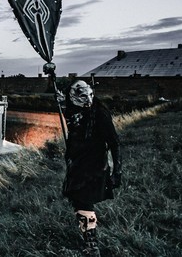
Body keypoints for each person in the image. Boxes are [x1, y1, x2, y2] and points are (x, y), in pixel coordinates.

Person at [61, 80, 121, 256]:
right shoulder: (75, 110)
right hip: (78, 162)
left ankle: (92, 245)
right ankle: (89, 239)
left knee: (84, 200)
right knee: (78, 201)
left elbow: (114, 143)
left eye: (87, 96)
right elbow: (72, 122)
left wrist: (117, 171)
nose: (86, 101)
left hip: (93, 164)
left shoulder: (100, 113)